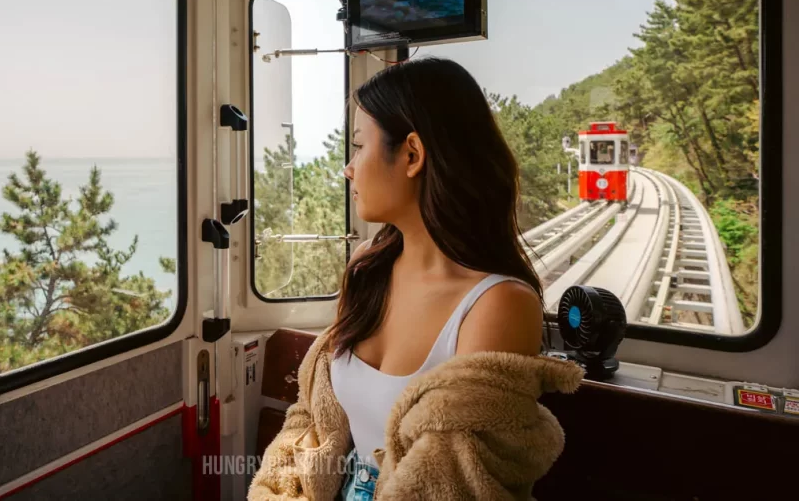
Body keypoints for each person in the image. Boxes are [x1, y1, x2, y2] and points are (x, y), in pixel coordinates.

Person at [248, 57, 584, 501]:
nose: (348, 168)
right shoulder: (368, 270)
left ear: (411, 154)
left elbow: (453, 481)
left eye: (358, 147)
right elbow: (317, 423)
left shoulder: (497, 306)